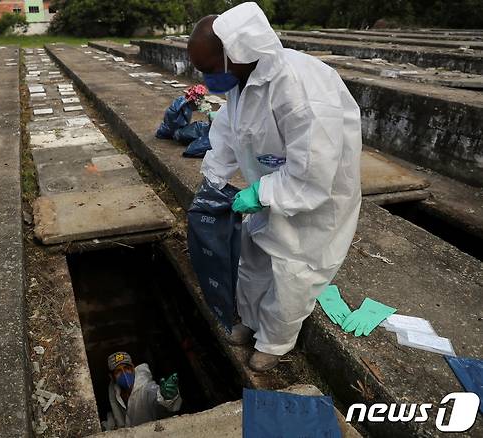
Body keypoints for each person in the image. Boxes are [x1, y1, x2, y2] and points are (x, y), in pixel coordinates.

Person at [187, 2, 362, 372]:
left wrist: (260, 194)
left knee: (292, 271)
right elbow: (229, 133)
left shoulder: (302, 90)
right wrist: (214, 178)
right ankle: (250, 321)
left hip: (315, 201)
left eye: (209, 69)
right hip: (270, 187)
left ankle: (275, 341)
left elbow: (314, 173)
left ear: (238, 53)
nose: (207, 79)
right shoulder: (240, 80)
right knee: (254, 257)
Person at [102, 352, 182, 430]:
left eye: (127, 368)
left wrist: (167, 396)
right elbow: (119, 417)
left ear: (133, 369)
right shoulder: (115, 392)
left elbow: (156, 395)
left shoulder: (146, 388)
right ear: (111, 377)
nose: (124, 373)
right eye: (118, 371)